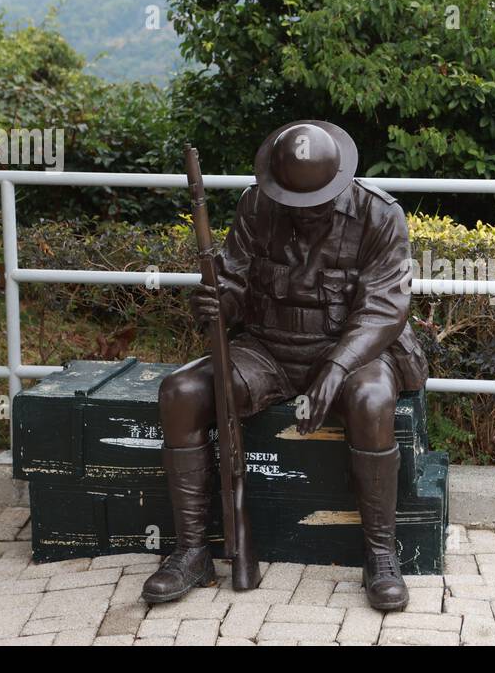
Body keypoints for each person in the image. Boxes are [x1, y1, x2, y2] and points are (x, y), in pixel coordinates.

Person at [141, 120, 427, 611]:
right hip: (268, 350)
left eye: (314, 203)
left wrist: (334, 370)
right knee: (180, 392)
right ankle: (191, 551)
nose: (303, 213)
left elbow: (384, 308)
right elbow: (232, 277)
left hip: (351, 353)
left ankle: (381, 555)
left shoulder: (379, 215)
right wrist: (216, 302)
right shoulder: (256, 205)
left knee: (373, 399)